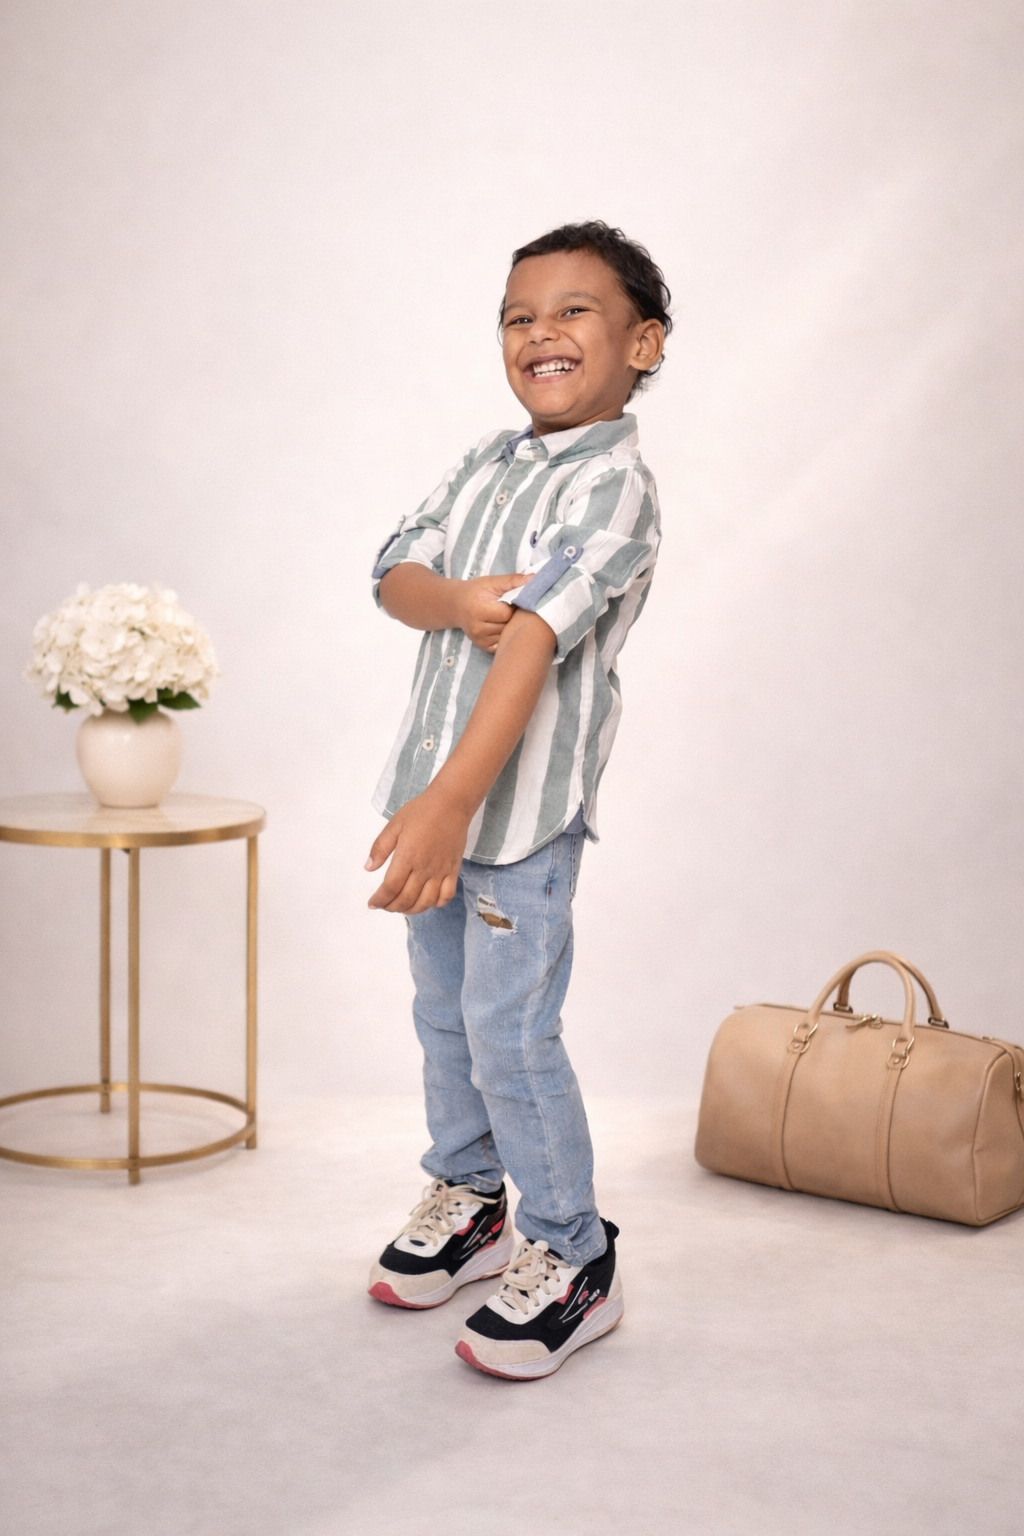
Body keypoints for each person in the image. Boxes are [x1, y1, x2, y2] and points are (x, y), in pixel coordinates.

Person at [364, 220, 670, 1380]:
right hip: (431, 799)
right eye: (517, 316)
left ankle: (572, 1252)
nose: (540, 332)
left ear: (642, 343)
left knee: (510, 1034)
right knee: (443, 1016)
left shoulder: (616, 489)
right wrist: (452, 601)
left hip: (515, 820)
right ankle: (471, 1198)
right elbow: (391, 573)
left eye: (573, 310)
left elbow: (533, 643)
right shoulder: (481, 465)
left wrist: (452, 805)